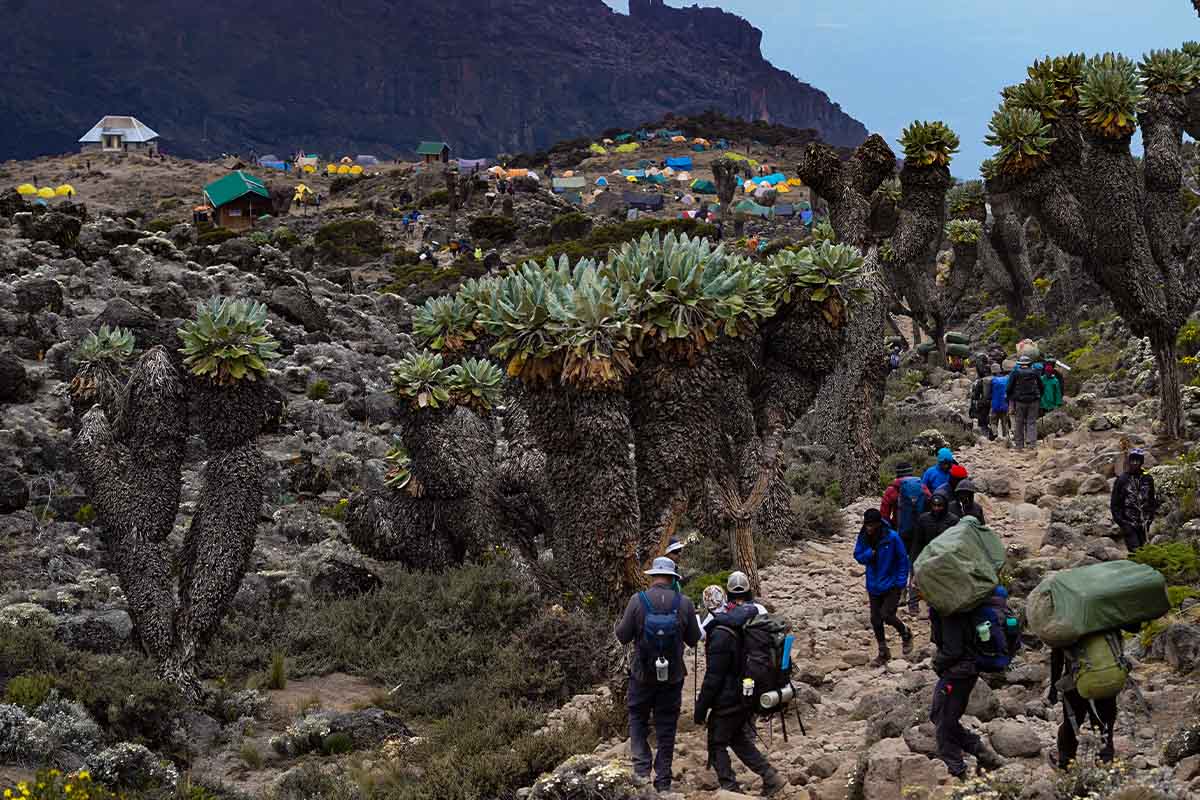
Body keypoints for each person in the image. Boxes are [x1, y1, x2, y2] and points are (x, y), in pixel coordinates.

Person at [694, 573, 787, 796]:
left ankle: (730, 788)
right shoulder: (746, 621)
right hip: (751, 689)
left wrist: (701, 708)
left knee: (716, 740)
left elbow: (713, 678)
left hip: (729, 696)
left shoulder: (719, 633)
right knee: (736, 737)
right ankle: (770, 777)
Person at [614, 557, 701, 792]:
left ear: (652, 577)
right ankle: (663, 782)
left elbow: (622, 636)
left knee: (638, 719)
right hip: (672, 677)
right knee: (666, 726)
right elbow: (693, 639)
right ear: (673, 579)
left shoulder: (637, 601)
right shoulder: (685, 603)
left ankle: (641, 774)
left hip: (642, 675)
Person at [930, 607, 1007, 778]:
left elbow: (953, 650)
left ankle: (958, 770)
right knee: (943, 717)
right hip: (966, 670)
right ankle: (982, 754)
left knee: (943, 718)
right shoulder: (958, 606)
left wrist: (937, 663)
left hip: (958, 672)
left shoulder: (948, 612)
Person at [854, 509, 914, 666]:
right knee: (875, 619)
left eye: (872, 525)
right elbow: (858, 555)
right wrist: (869, 554)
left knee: (887, 615)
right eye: (867, 524)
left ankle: (905, 633)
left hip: (892, 583)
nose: (869, 528)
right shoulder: (863, 536)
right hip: (873, 584)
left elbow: (903, 560)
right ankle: (883, 652)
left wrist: (901, 583)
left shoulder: (892, 537)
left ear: (879, 523)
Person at [1049, 645, 1117, 768]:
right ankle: (1106, 766)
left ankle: (1065, 764)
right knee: (1104, 727)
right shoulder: (1104, 625)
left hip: (1075, 682)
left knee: (1071, 725)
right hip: (1106, 680)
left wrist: (1053, 688)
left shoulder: (1068, 627)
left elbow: (1057, 655)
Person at [1110, 449, 1158, 552]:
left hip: (1144, 523)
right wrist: (1122, 523)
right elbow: (1115, 504)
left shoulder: (1147, 478)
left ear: (1141, 462)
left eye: (1138, 461)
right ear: (1129, 462)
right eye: (1133, 461)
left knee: (1145, 550)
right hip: (1128, 523)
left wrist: (1150, 518)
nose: (1135, 463)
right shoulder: (1122, 480)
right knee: (1135, 551)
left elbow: (1151, 499)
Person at [1006, 355, 1045, 450]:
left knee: (1019, 422)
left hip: (1020, 401)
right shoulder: (1035, 372)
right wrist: (1039, 396)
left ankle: (1019, 445)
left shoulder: (1015, 373)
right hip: (1033, 401)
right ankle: (1032, 444)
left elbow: (1009, 387)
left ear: (1020, 364)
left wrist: (1010, 397)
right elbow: (1041, 386)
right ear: (1029, 364)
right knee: (1031, 422)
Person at [968, 358, 993, 438]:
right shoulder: (995, 380)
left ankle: (985, 438)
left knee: (983, 423)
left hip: (983, 404)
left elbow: (975, 396)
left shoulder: (980, 381)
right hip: (993, 403)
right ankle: (994, 436)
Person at [988, 364, 1011, 443]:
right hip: (1005, 404)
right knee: (1005, 422)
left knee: (993, 421)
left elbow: (989, 393)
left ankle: (995, 434)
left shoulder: (992, 380)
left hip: (995, 404)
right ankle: (1006, 436)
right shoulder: (1006, 379)